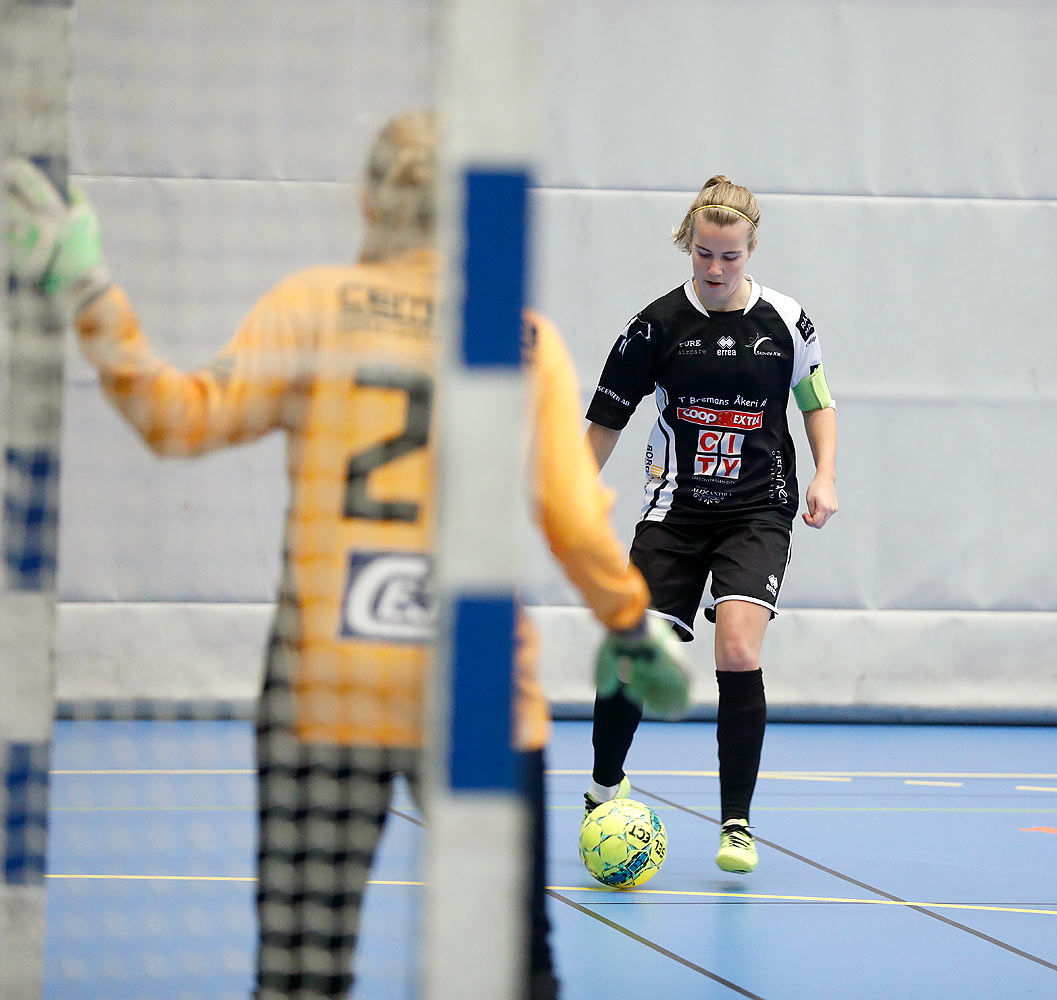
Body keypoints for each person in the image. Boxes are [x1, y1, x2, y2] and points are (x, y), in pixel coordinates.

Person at [5, 111, 687, 1000]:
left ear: (366, 199)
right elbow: (569, 514)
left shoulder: (316, 305)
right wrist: (631, 625)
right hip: (473, 685)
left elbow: (181, 418)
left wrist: (91, 292)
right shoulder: (520, 339)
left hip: (327, 681)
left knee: (300, 976)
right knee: (516, 974)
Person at [581, 175, 838, 874]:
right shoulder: (655, 327)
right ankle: (604, 785)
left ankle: (737, 824)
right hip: (675, 512)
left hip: (758, 509)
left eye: (729, 257)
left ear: (751, 249)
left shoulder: (786, 321)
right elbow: (606, 418)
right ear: (687, 247)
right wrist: (574, 494)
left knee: (736, 649)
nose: (716, 270)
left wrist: (824, 473)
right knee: (636, 656)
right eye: (704, 255)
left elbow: (816, 399)